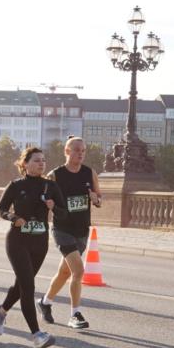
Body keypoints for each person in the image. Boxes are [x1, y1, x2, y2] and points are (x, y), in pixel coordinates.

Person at [0, 147, 66, 348]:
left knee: (22, 284)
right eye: (36, 160)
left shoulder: (50, 186)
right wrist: (13, 217)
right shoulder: (16, 185)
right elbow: (0, 209)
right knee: (28, 286)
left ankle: (1, 311)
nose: (41, 163)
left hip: (40, 242)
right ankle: (37, 335)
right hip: (17, 241)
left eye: (43, 160)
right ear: (25, 164)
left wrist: (53, 207)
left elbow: (64, 214)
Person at [37, 137, 102, 329]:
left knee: (64, 272)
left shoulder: (90, 173)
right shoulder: (55, 175)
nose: (80, 153)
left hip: (82, 230)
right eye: (76, 150)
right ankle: (75, 314)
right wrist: (47, 205)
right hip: (62, 229)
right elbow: (42, 198)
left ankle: (45, 302)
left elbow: (99, 199)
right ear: (67, 151)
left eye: (83, 150)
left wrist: (95, 199)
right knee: (78, 271)